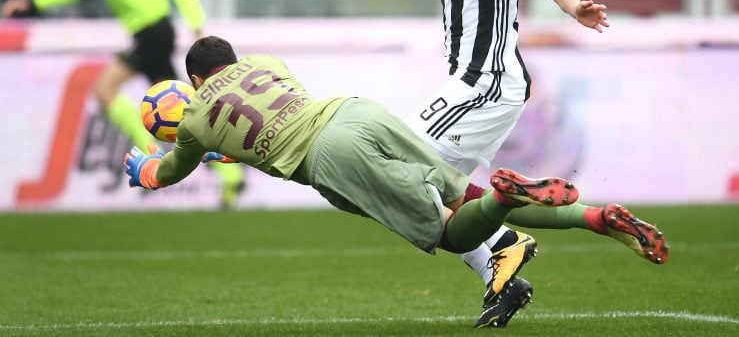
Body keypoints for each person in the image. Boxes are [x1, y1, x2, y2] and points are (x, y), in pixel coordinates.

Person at [285, 0, 667, 298]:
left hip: (485, 84)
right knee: (443, 196)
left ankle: (505, 236)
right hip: (467, 82)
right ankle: (577, 227)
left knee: (390, 166)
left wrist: (573, 7)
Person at [123, 35, 582, 328]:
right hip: (354, 111)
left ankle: (502, 232)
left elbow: (170, 170)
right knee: (449, 190)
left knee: (435, 225)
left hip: (330, 156)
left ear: (196, 81)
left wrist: (143, 169)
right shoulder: (267, 60)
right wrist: (221, 147)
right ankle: (499, 273)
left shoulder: (194, 120)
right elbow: (265, 120)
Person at [0, 0, 243, 209]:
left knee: (107, 91)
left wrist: (196, 22)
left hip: (156, 31)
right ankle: (229, 175)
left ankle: (155, 156)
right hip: (142, 36)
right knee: (190, 111)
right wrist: (33, 2)